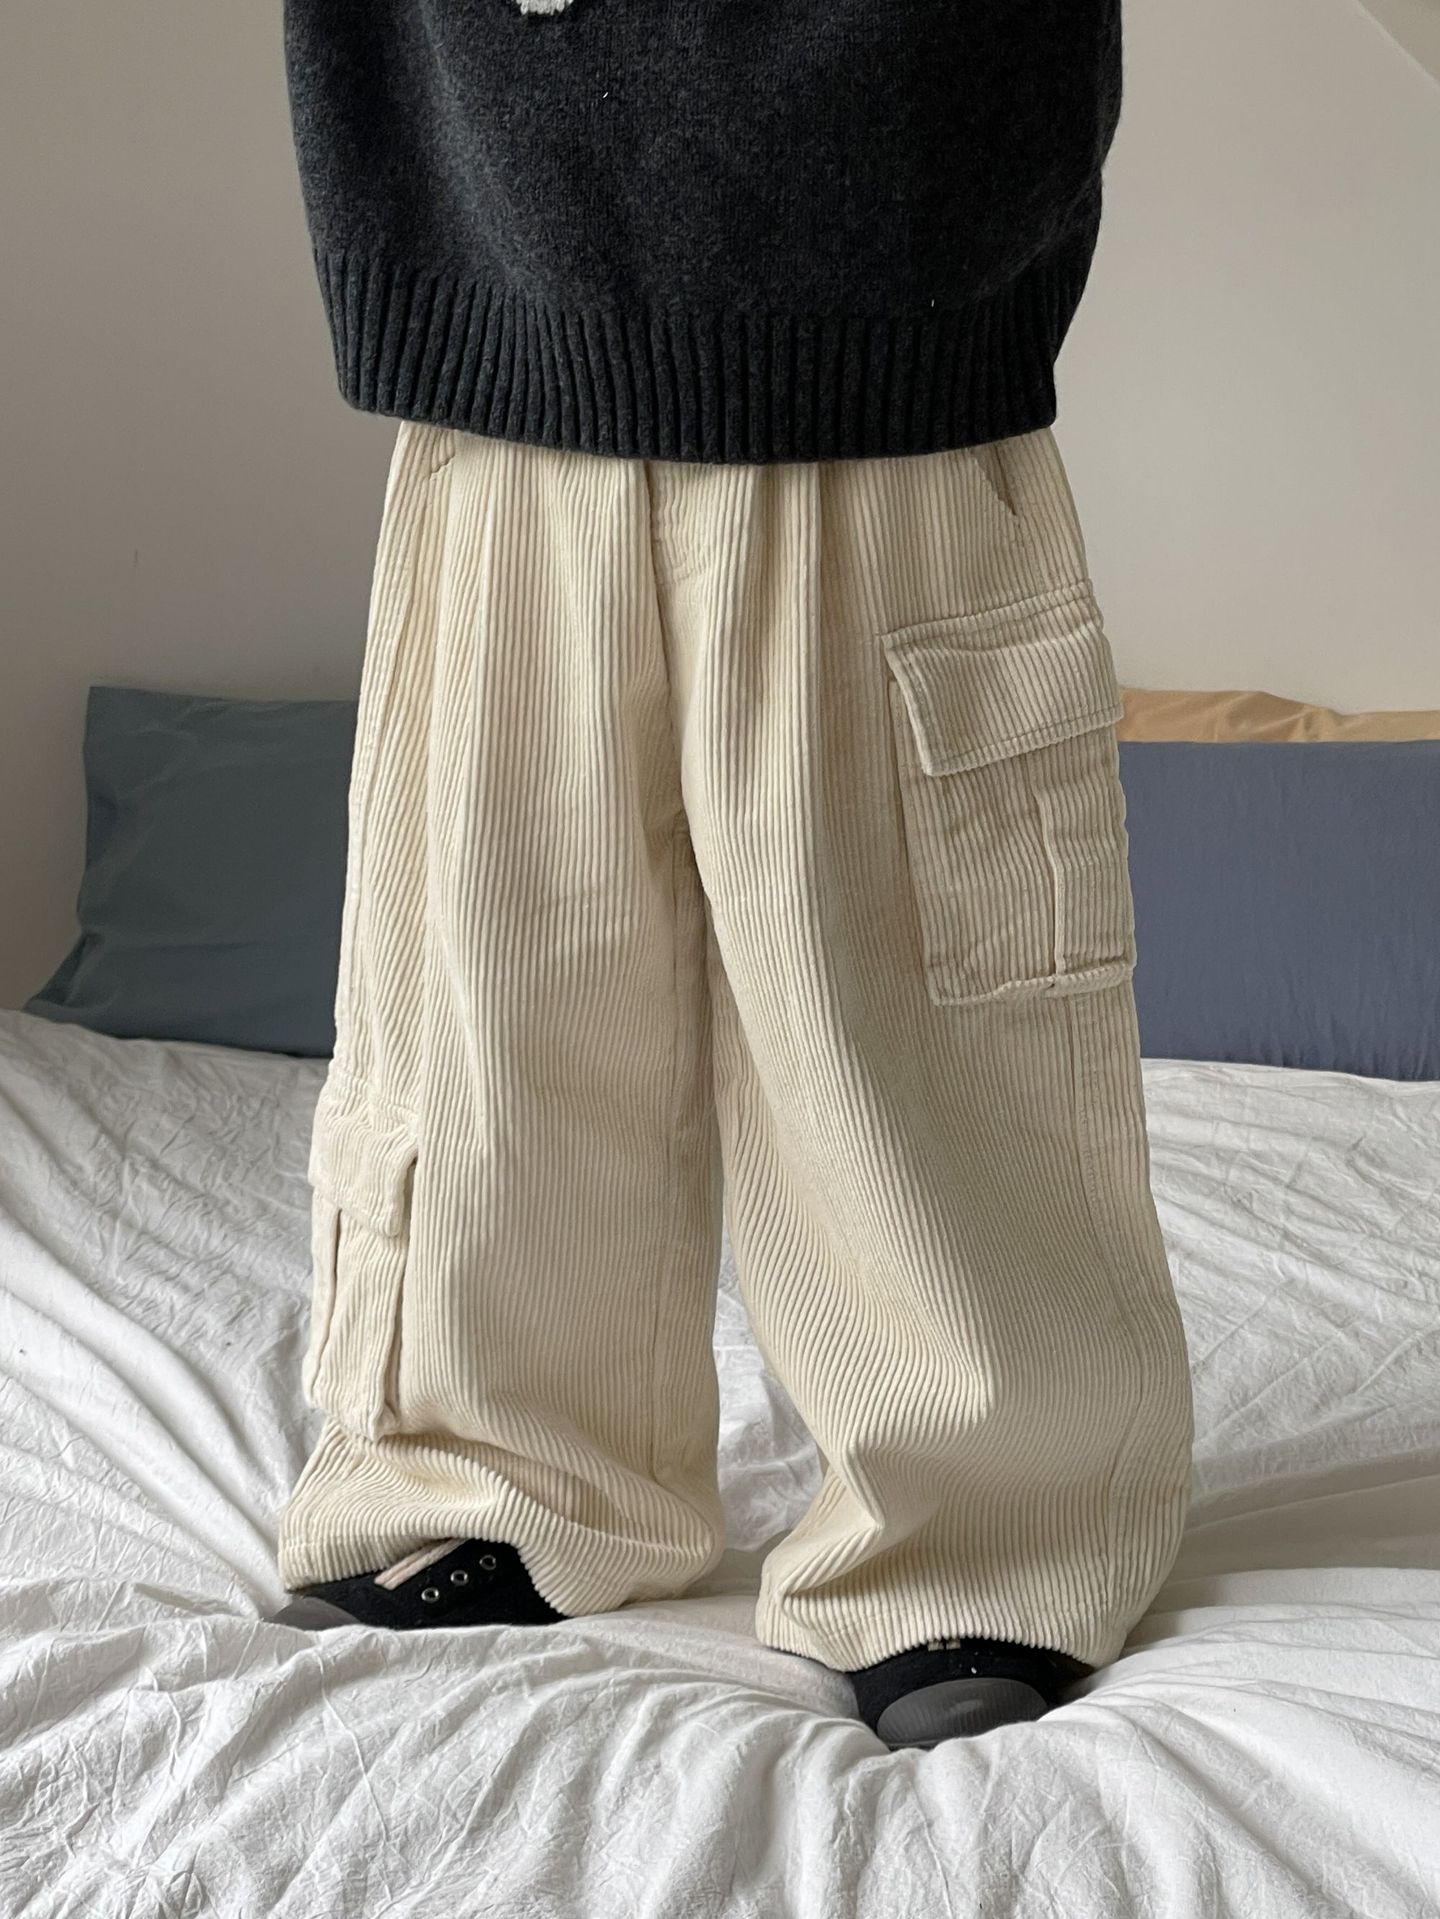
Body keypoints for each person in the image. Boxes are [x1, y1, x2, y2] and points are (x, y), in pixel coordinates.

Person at [269, 0, 1194, 1751]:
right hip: (497, 336)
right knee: (484, 995)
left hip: (889, 350)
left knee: (907, 1023)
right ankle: (492, 1469)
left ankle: (981, 1536)